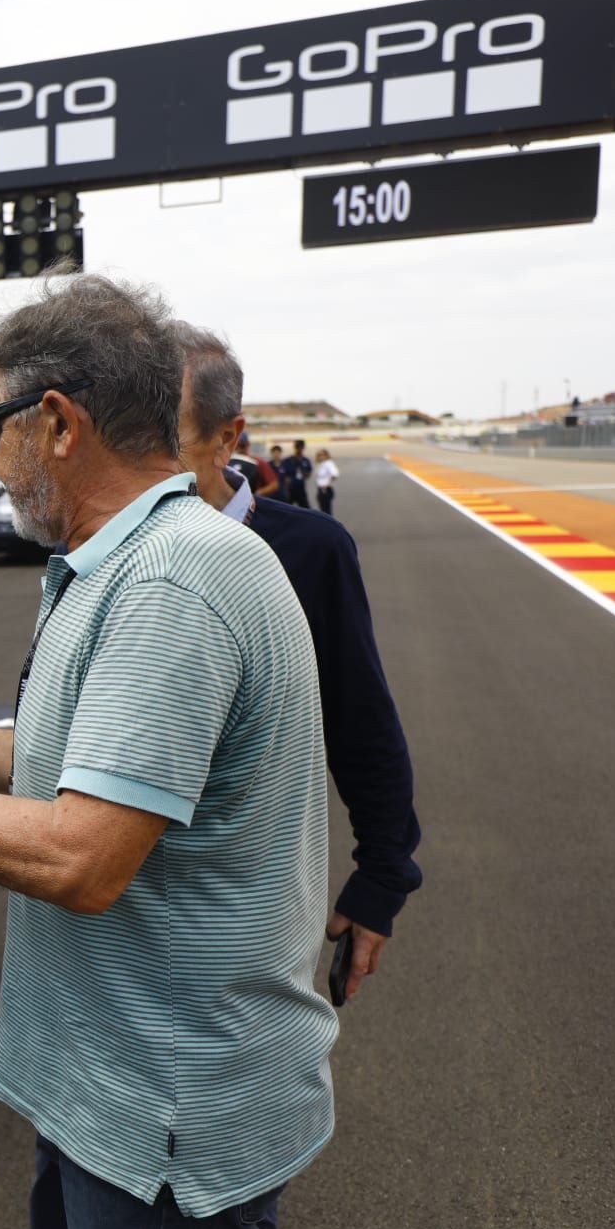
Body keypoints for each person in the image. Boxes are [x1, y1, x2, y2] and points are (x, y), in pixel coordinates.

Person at [0, 273, 334, 1229]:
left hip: (162, 1125)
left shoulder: (167, 584)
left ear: (55, 422)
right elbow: (77, 770)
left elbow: (86, 856)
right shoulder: (140, 559)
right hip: (119, 1105)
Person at [172, 325, 419, 996]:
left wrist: (382, 878)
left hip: (250, 916)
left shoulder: (311, 552)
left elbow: (361, 721)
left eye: (166, 440)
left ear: (229, 438)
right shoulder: (99, 550)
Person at [281, 438, 313, 509]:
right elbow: (282, 474)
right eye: (297, 447)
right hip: (290, 490)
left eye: (301, 447)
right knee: (286, 509)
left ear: (303, 448)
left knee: (306, 510)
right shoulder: (287, 460)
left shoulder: (306, 461)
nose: (299, 449)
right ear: (294, 447)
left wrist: (303, 471)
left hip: (301, 489)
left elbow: (308, 474)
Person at [314, 448, 339, 516]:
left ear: (327, 455)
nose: (320, 456)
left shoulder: (328, 463)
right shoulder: (320, 464)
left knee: (326, 511)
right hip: (320, 489)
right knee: (322, 509)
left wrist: (327, 484)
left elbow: (335, 474)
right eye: (319, 455)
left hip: (325, 490)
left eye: (322, 455)